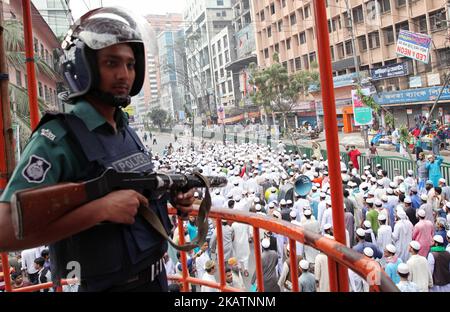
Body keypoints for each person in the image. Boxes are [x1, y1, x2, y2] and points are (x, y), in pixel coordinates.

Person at [0, 7, 196, 292]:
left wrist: (169, 197)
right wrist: (99, 210)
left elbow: (129, 193)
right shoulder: (59, 137)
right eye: (111, 63)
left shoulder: (124, 128)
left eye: (130, 65)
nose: (124, 74)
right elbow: (5, 230)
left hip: (156, 280)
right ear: (83, 67)